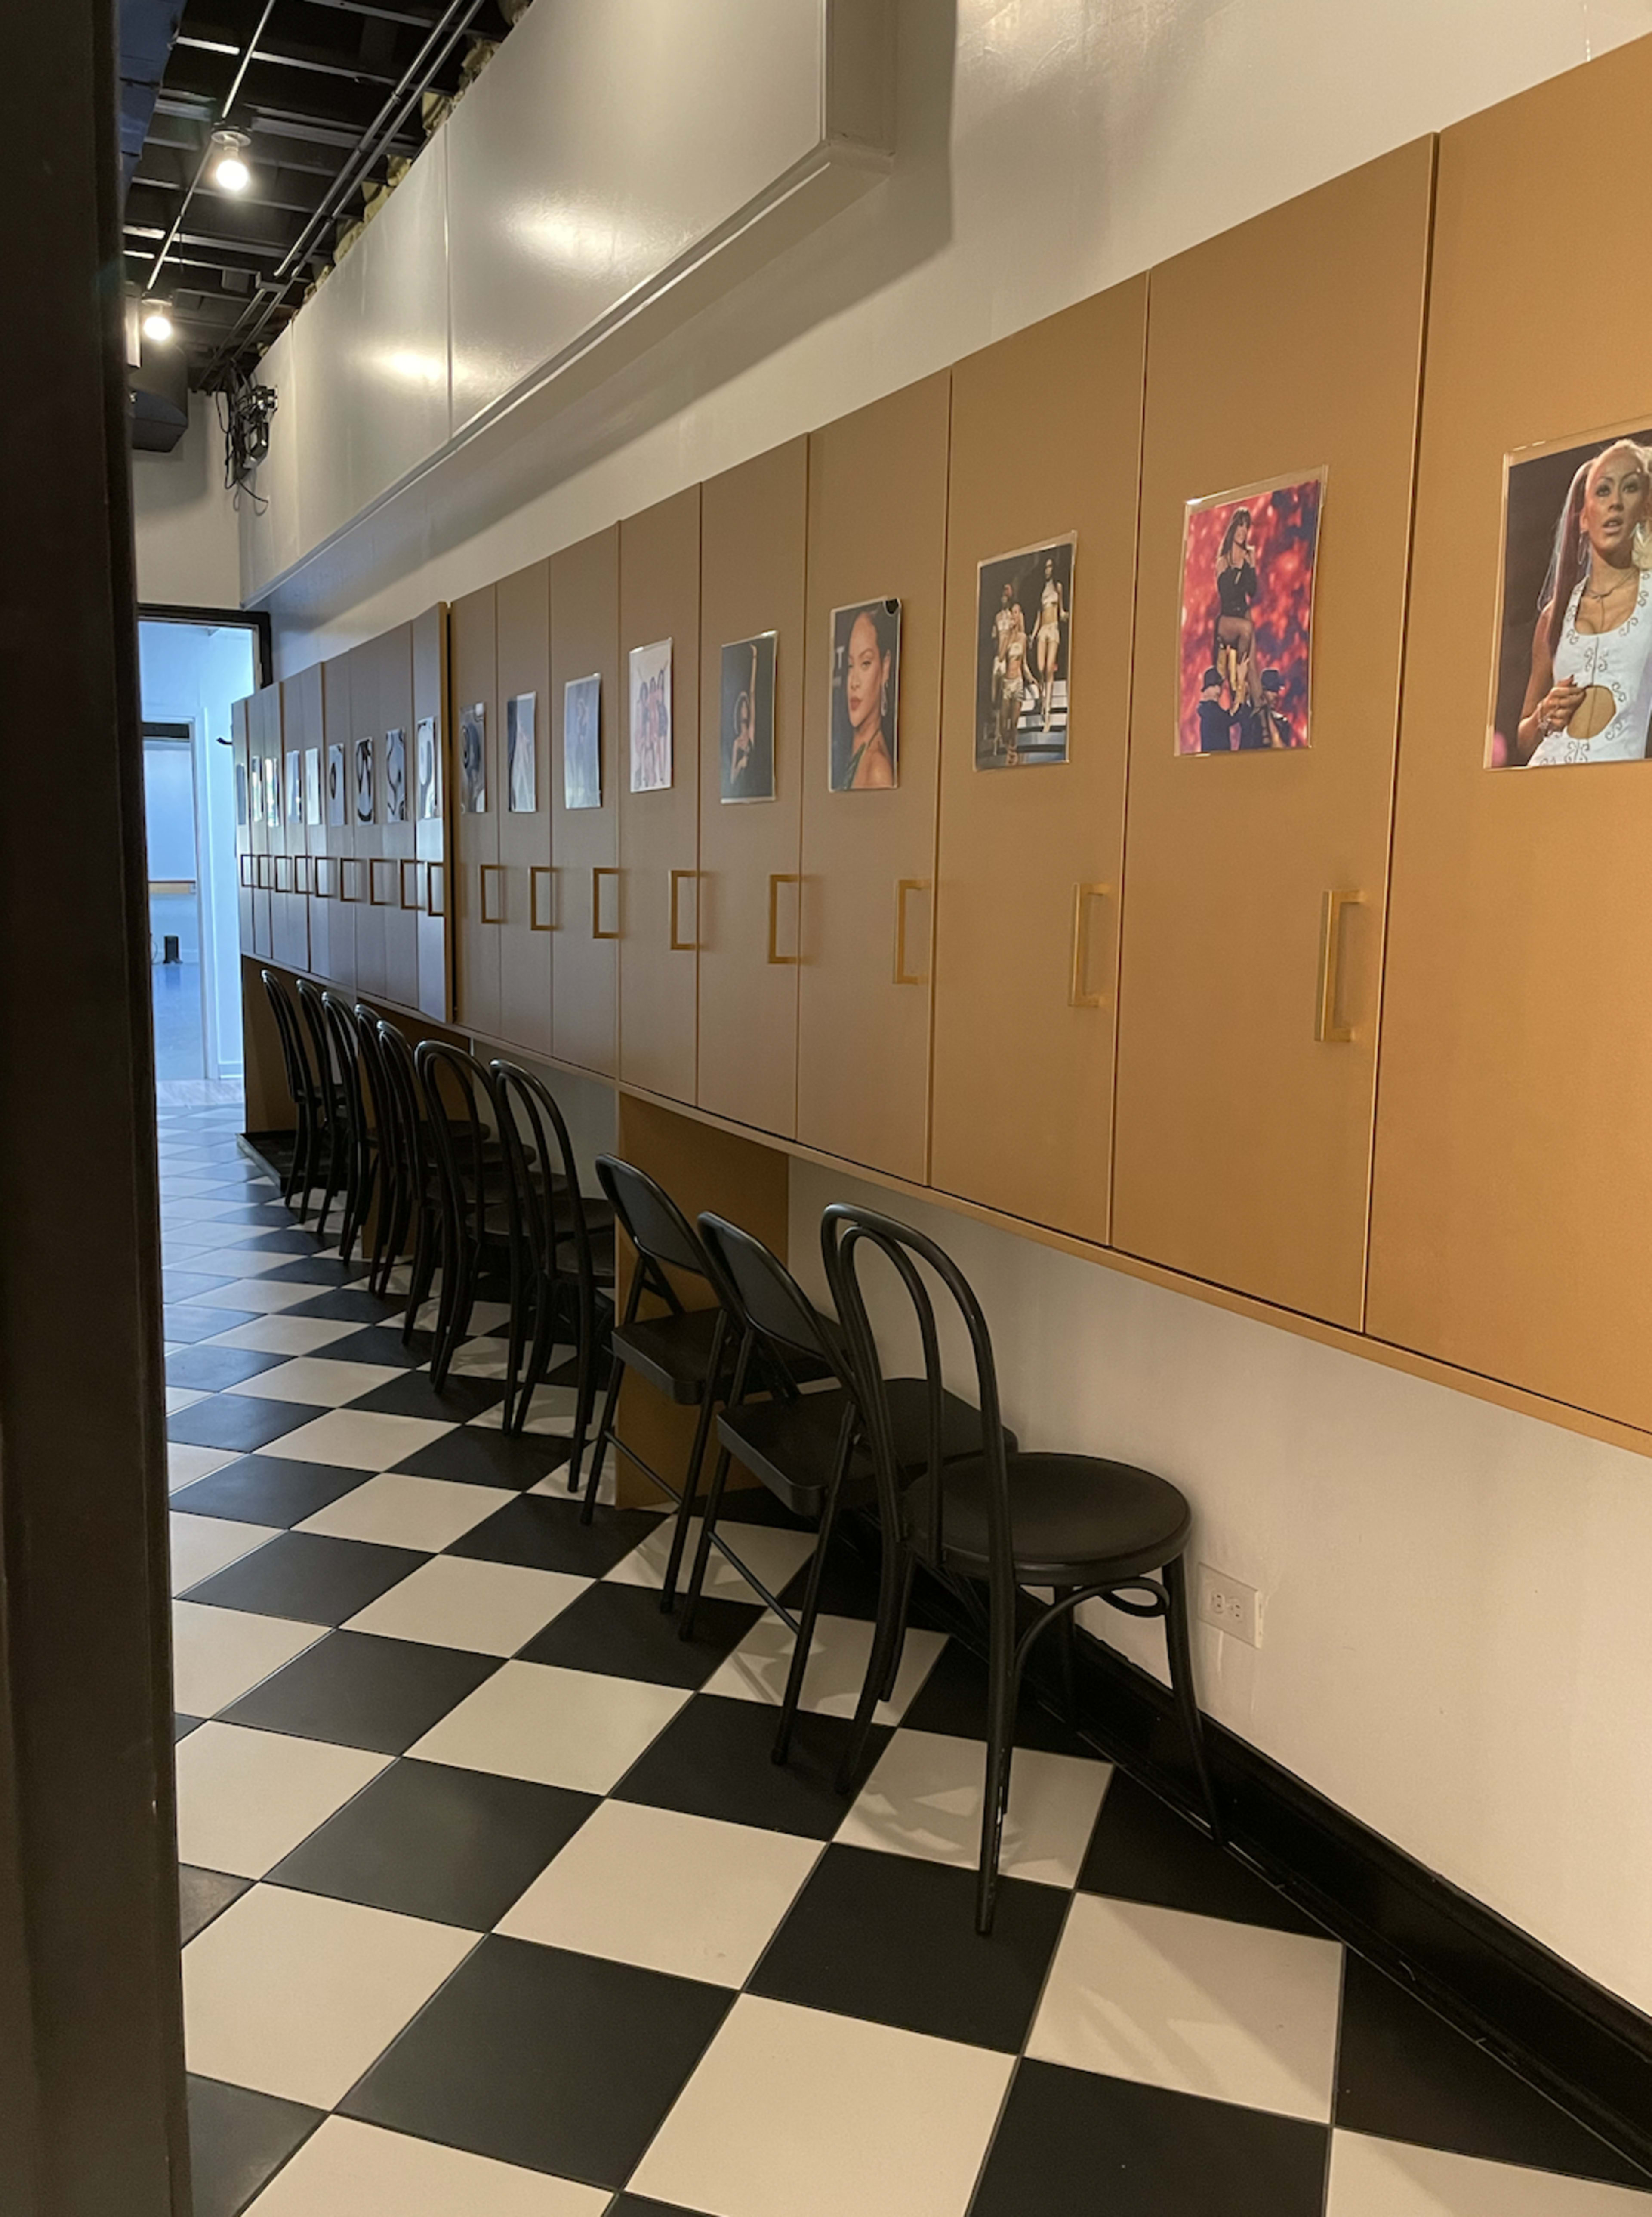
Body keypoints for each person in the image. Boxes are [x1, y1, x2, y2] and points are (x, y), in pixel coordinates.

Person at [1515, 438, 1652, 766]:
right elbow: (1524, 740)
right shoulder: (1555, 616)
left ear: (1646, 508)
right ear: (1583, 517)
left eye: (1630, 488)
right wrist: (1544, 714)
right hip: (1546, 781)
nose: (1615, 503)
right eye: (1603, 491)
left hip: (1617, 788)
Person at [838, 604, 897, 789]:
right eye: (850, 665)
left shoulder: (878, 770)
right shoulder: (851, 755)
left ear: (885, 667)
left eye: (865, 663)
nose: (854, 682)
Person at [1214, 509, 1259, 709]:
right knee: (1247, 628)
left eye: (1247, 526)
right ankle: (1238, 690)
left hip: (1243, 615)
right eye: (1240, 525)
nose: (1243, 531)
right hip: (1226, 621)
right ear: (1233, 528)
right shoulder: (1223, 562)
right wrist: (1239, 567)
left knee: (1253, 661)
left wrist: (1252, 566)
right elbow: (1228, 595)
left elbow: (1253, 591)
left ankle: (1255, 704)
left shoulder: (1248, 558)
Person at [1033, 554, 1069, 730]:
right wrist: (1033, 634)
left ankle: (1047, 711)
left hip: (1053, 628)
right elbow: (1039, 615)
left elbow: (1061, 609)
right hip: (1043, 629)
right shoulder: (1042, 589)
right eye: (1046, 567)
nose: (1047, 570)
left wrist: (1063, 614)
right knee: (1041, 668)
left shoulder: (1058, 587)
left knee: (1049, 668)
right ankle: (1043, 698)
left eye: (1050, 567)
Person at [1196, 667, 1232, 752]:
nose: (1218, 690)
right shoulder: (1210, 710)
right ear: (1206, 690)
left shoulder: (1208, 710)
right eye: (1214, 686)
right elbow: (1227, 718)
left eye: (1219, 686)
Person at [1259, 669, 1291, 749]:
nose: (1276, 695)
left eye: (1277, 691)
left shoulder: (1283, 723)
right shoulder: (1251, 718)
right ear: (1262, 691)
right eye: (1272, 690)